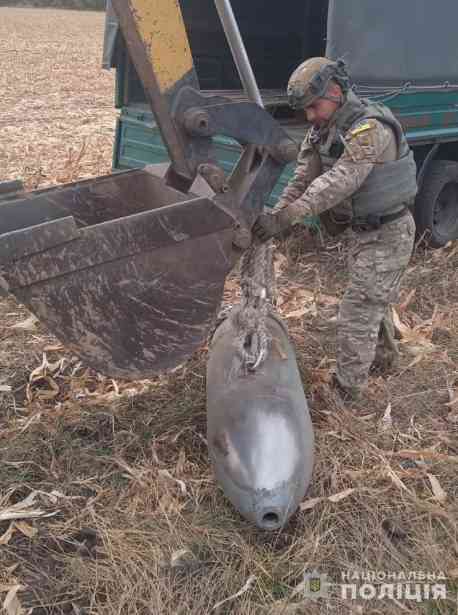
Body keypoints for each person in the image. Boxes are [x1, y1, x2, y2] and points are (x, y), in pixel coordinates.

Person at [253, 57, 417, 400]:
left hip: (388, 232)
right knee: (372, 298)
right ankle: (385, 358)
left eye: (314, 106)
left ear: (336, 92)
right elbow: (302, 178)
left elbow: (340, 181)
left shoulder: (370, 129)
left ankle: (346, 391)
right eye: (305, 109)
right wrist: (276, 215)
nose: (309, 116)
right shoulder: (321, 132)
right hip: (363, 232)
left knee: (358, 309)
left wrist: (289, 216)